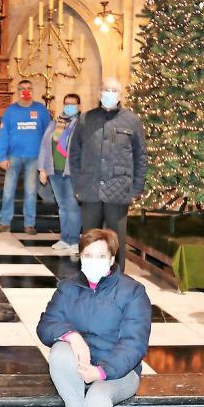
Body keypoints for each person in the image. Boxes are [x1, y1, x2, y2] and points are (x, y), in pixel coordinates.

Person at [36, 228, 151, 407]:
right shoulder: (68, 287)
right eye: (88, 255)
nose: (94, 260)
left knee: (99, 396)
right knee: (60, 352)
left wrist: (102, 371)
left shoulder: (132, 292)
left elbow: (134, 344)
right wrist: (70, 335)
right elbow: (46, 324)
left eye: (101, 255)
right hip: (82, 359)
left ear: (112, 258)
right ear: (80, 257)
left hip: (119, 370)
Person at [68, 77, 147, 271]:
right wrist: (77, 184)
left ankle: (116, 276)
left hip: (119, 189)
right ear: (99, 93)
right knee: (89, 237)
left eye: (113, 90)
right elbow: (75, 153)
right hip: (90, 187)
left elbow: (140, 157)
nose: (109, 94)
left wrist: (136, 188)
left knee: (117, 238)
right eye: (105, 90)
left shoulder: (132, 120)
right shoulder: (86, 119)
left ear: (120, 95)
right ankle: (87, 273)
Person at [0, 80, 51, 235]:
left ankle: (29, 224)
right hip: (14, 157)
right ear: (18, 91)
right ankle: (4, 222)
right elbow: (3, 135)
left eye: (29, 89)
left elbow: (47, 136)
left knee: (31, 191)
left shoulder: (41, 110)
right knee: (8, 191)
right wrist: (2, 157)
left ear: (33, 91)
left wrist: (45, 161)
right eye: (23, 89)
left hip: (34, 158)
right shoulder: (10, 111)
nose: (26, 91)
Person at [38, 93, 83, 255]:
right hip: (54, 170)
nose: (69, 106)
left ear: (79, 106)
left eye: (73, 104)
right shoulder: (55, 123)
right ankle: (64, 238)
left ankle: (75, 240)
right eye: (66, 103)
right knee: (62, 206)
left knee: (73, 206)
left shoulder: (81, 124)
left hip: (71, 171)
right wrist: (42, 169)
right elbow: (44, 145)